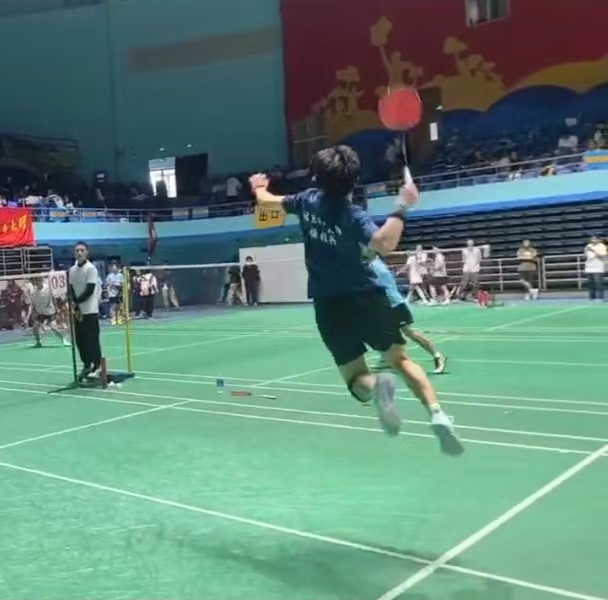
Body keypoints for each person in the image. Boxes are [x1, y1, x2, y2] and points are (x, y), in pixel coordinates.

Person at [249, 145, 462, 455]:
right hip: (368, 297)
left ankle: (376, 392)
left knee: (355, 377)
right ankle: (437, 414)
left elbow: (267, 201)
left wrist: (259, 186)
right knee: (401, 360)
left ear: (316, 177)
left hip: (329, 304)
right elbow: (385, 243)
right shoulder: (353, 215)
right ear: (354, 180)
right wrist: (402, 205)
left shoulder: (306, 201)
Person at [370, 256, 447, 374]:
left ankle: (437, 355)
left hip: (395, 304)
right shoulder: (372, 264)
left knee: (409, 332)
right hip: (384, 305)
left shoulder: (374, 266)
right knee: (380, 332)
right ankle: (385, 360)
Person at [69, 241, 102, 379]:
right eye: (77, 250)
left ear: (87, 252)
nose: (79, 253)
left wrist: (77, 302)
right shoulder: (72, 270)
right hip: (78, 312)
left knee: (92, 340)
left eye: (82, 250)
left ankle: (98, 366)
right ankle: (87, 365)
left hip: (90, 310)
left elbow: (90, 289)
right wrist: (75, 305)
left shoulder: (91, 268)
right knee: (80, 341)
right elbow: (71, 288)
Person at [28, 276, 70, 347]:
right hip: (40, 313)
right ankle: (38, 342)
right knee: (35, 328)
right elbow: (33, 305)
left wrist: (56, 309)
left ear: (41, 281)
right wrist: (32, 313)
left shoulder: (48, 288)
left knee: (54, 329)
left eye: (38, 281)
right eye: (36, 282)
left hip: (50, 312)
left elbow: (53, 299)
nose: (37, 283)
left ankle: (64, 340)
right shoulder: (33, 292)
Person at [584, 235, 606, 301]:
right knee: (590, 283)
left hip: (598, 267)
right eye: (592, 239)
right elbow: (585, 256)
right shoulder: (588, 246)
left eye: (595, 239)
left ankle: (600, 297)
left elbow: (602, 256)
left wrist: (593, 251)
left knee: (598, 282)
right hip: (589, 267)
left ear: (598, 240)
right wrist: (588, 252)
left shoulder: (602, 246)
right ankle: (591, 297)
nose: (593, 240)